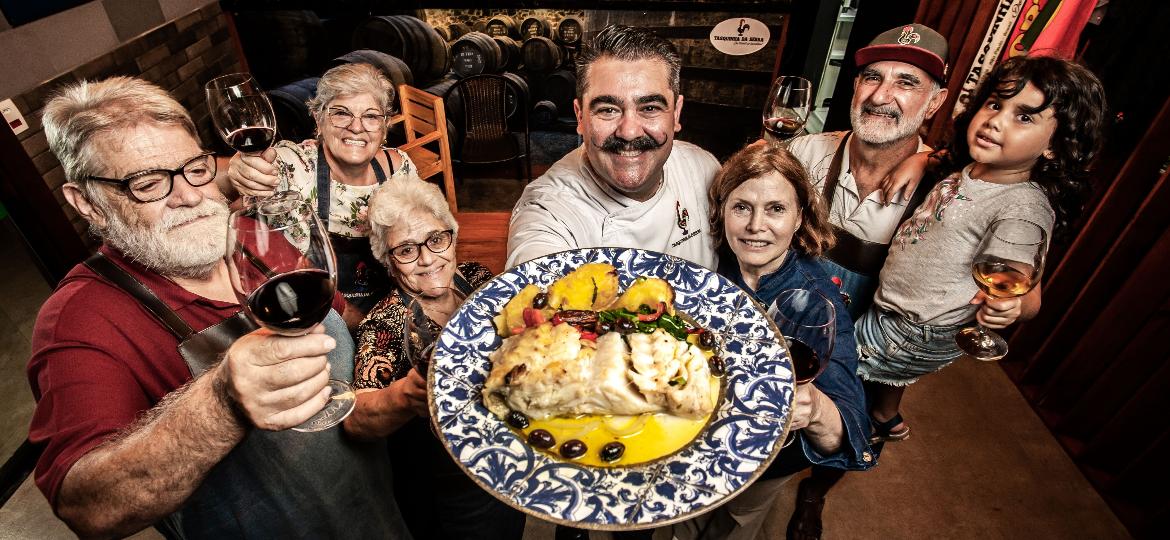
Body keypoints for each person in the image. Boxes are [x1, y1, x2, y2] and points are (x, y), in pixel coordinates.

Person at [26, 76, 411, 538]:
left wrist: (404, 337)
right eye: (147, 183)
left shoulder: (251, 237)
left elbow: (343, 313)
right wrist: (222, 402)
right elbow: (87, 507)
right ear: (86, 202)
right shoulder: (82, 317)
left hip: (374, 508)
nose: (188, 196)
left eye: (195, 168)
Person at [857, 54, 1107, 468]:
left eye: (1024, 118)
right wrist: (921, 159)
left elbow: (1029, 293)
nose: (996, 121)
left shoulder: (1020, 209)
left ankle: (858, 438)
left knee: (842, 364)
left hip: (915, 325)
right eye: (995, 104)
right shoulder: (979, 167)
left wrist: (1013, 306)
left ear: (1054, 147)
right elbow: (949, 163)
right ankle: (887, 416)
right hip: (902, 307)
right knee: (891, 376)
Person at [781, 23, 952, 539]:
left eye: (907, 83)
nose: (882, 96)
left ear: (936, 101)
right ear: (853, 86)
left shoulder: (947, 189)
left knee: (859, 418)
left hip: (878, 330)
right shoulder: (807, 153)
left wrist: (929, 159)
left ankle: (815, 493)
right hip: (804, 314)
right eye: (872, 77)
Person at [664, 143, 874, 540]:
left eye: (776, 208)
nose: (755, 225)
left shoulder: (818, 302)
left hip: (769, 461)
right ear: (722, 211)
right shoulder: (708, 263)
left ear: (799, 218)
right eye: (742, 206)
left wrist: (814, 410)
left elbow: (851, 429)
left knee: (735, 524)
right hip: (695, 436)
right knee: (687, 518)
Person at [345, 180, 525, 539]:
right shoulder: (385, 323)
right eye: (407, 250)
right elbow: (356, 419)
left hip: (506, 464)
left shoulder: (476, 278)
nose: (427, 259)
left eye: (436, 240)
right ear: (387, 260)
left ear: (452, 237)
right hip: (448, 491)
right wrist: (404, 397)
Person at [506, 24, 721, 270]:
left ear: (676, 113)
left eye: (649, 108)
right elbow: (536, 278)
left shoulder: (702, 168)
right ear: (579, 117)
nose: (629, 132)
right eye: (608, 110)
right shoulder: (549, 210)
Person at [224, 62, 421, 323]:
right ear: (318, 119)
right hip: (323, 312)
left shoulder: (400, 168)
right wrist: (237, 166)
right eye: (341, 113)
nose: (356, 127)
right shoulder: (295, 166)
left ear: (384, 127)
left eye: (371, 116)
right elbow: (219, 178)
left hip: (394, 303)